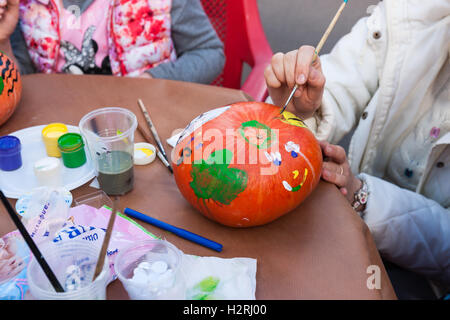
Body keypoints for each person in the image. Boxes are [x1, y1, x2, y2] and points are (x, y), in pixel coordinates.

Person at [264, 0, 450, 294]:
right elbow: (338, 85)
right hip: (346, 228)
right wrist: (303, 111)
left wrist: (363, 196)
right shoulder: (407, 15)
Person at [0, 0, 224, 84]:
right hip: (62, 128)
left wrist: (152, 80)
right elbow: (24, 83)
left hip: (144, 119)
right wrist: (3, 41)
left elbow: (210, 53)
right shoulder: (24, 6)